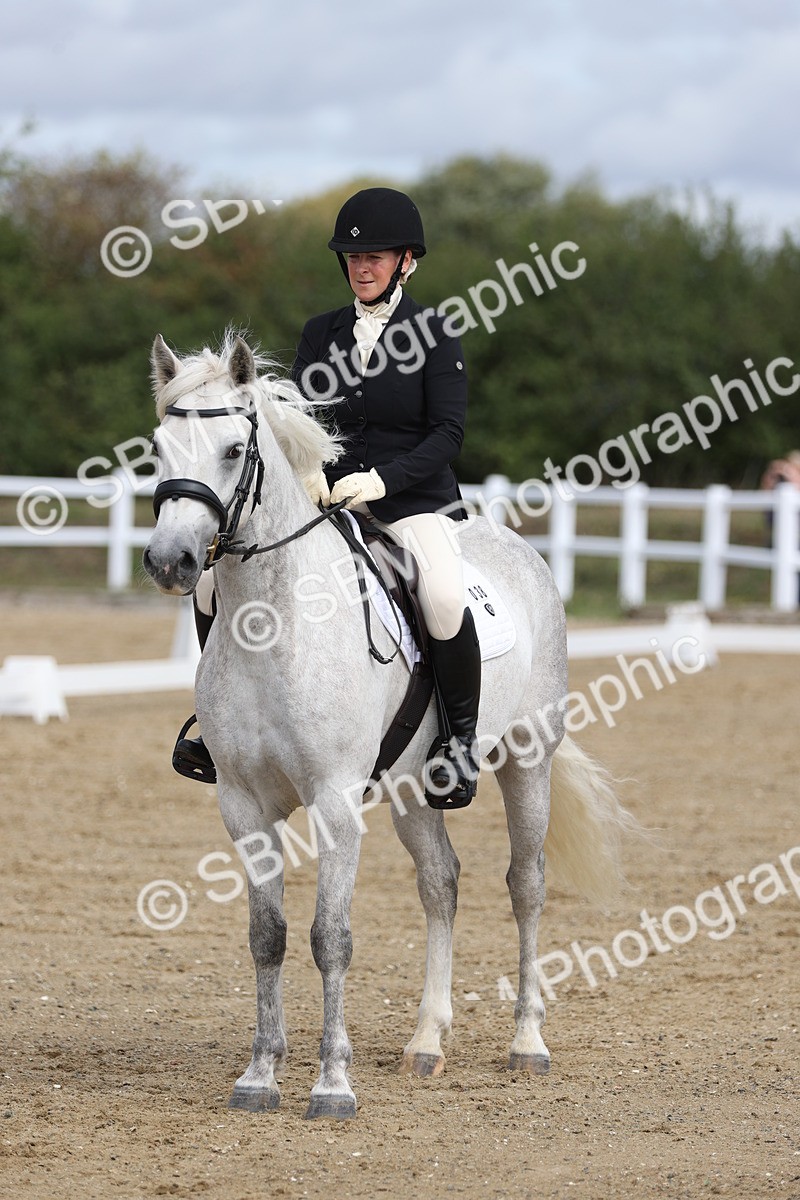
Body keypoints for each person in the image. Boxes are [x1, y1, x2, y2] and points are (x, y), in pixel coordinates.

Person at [175, 187, 481, 807]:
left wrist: (384, 480)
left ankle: (459, 742)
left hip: (411, 502)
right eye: (354, 257)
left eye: (375, 257)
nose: (362, 268)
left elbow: (448, 433)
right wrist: (310, 471)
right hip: (326, 503)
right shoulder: (321, 333)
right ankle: (218, 721)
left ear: (405, 261)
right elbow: (301, 422)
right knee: (209, 585)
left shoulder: (435, 332)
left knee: (445, 596)